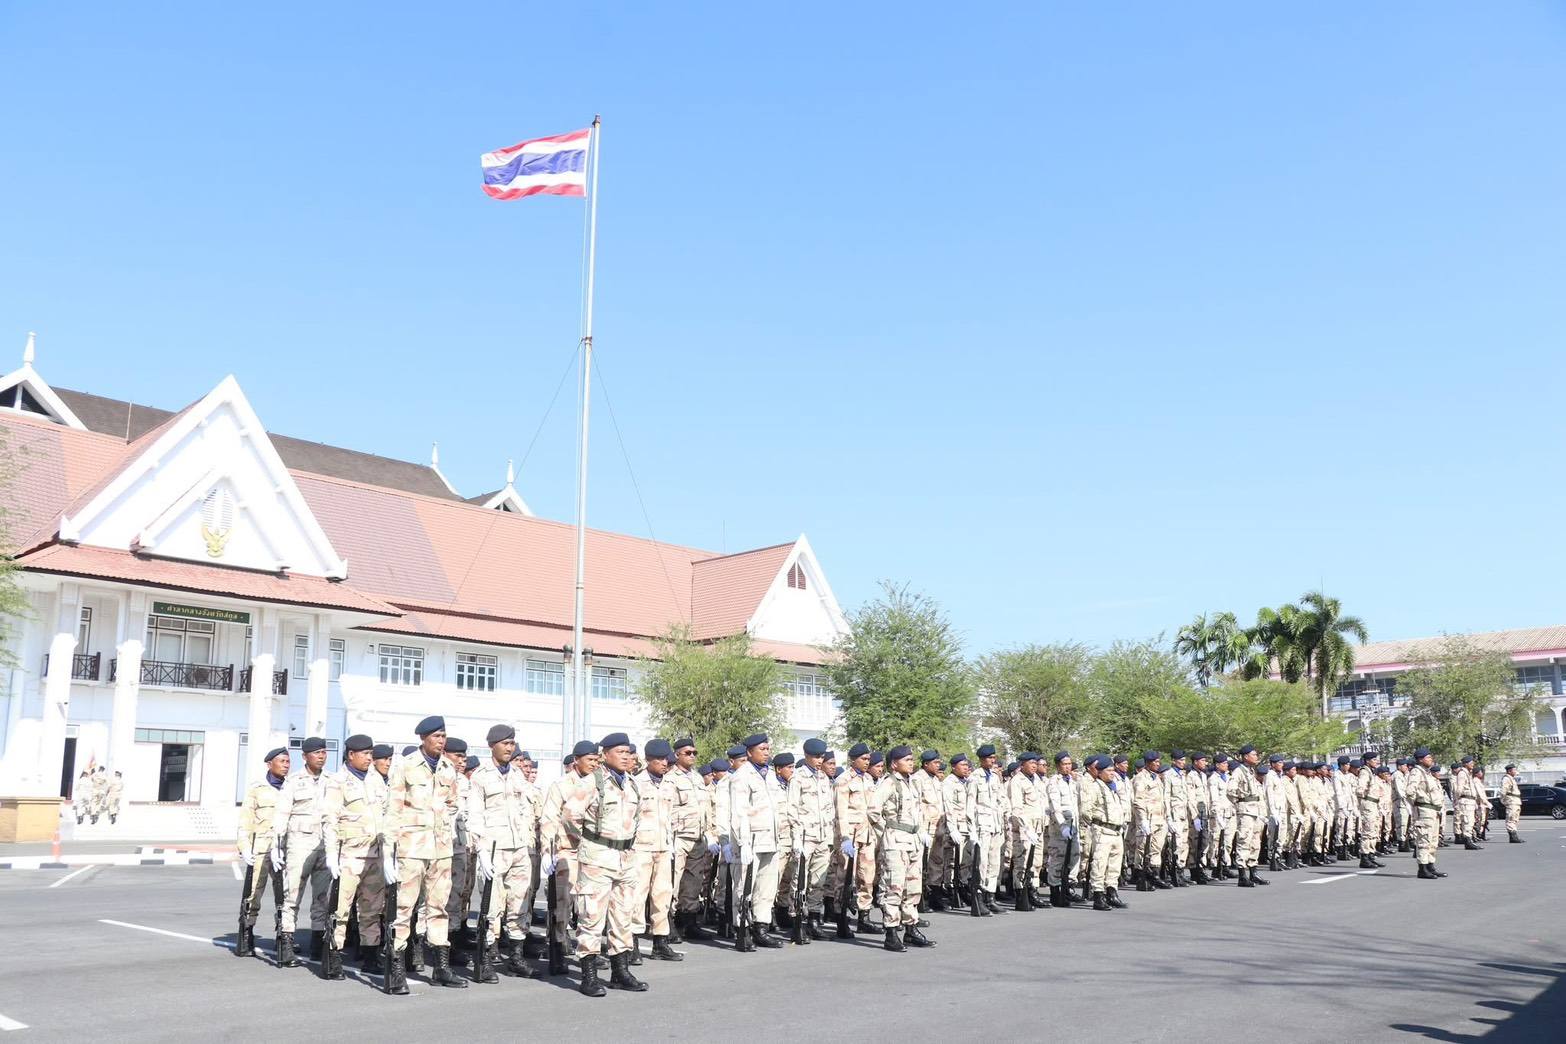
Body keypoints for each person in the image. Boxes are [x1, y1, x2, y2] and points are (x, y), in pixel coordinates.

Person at [384, 716, 465, 994]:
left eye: (444, 736)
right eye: (437, 736)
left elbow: (453, 804)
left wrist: (447, 827)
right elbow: (392, 810)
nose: (441, 741)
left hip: (441, 849)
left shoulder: (447, 768)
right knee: (403, 909)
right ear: (423, 738)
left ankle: (441, 967)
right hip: (411, 849)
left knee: (439, 907)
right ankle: (396, 967)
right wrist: (388, 852)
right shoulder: (405, 767)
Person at [563, 733, 645, 996]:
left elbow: (637, 819)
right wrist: (590, 842)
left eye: (629, 752)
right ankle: (589, 975)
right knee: (592, 918)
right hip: (598, 859)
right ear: (605, 754)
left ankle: (620, 971)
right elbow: (570, 817)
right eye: (620, 752)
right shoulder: (592, 783)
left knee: (623, 917)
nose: (627, 756)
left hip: (626, 858)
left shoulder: (631, 784)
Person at [465, 724, 542, 982]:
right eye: (504, 743)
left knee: (519, 904)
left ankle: (516, 958)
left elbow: (527, 810)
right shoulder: (481, 777)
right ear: (492, 746)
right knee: (492, 907)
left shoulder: (518, 776)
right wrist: (482, 851)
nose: (509, 748)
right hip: (494, 850)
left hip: (519, 848)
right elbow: (475, 817)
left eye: (512, 743)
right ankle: (485, 958)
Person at [320, 733, 384, 979]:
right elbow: (330, 819)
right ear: (351, 755)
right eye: (366, 754)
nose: (370, 758)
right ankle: (333, 957)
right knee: (340, 909)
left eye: (371, 754)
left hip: (375, 854)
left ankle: (370, 956)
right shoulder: (338, 782)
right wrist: (330, 855)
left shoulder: (376, 780)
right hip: (349, 855)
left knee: (372, 909)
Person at [272, 737, 332, 965]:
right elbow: (281, 815)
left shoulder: (331, 781)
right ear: (305, 756)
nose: (321, 756)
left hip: (324, 846)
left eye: (324, 752)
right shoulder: (294, 781)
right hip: (299, 844)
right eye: (316, 752)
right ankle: (286, 943)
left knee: (322, 898)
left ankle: (317, 942)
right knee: (292, 894)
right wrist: (277, 846)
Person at [540, 744, 598, 976]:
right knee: (561, 905)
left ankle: (588, 952)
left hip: (592, 852)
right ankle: (558, 947)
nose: (594, 764)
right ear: (576, 760)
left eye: (596, 759)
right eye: (589, 759)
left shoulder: (599, 785)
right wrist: (548, 850)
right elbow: (549, 818)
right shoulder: (562, 785)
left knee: (588, 905)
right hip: (566, 850)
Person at [869, 745, 933, 951]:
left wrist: (922, 831)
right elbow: (873, 811)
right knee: (893, 887)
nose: (911, 762)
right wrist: (887, 830)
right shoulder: (889, 783)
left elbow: (917, 812)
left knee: (913, 888)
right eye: (906, 760)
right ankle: (891, 931)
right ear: (894, 763)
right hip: (896, 841)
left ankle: (911, 928)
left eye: (912, 759)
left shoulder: (912, 783)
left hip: (913, 840)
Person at [727, 733, 783, 951]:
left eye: (768, 749)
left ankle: (761, 928)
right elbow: (738, 812)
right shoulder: (742, 775)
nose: (767, 752)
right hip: (751, 840)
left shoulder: (769, 775)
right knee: (744, 888)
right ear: (749, 752)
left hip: (770, 839)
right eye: (762, 749)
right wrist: (743, 843)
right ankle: (743, 929)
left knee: (766, 887)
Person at [630, 738, 681, 963]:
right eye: (659, 759)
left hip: (663, 847)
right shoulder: (636, 783)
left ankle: (661, 942)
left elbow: (671, 817)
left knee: (663, 895)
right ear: (647, 760)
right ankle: (631, 943)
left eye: (666, 759)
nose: (664, 763)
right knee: (637, 896)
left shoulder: (669, 784)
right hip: (640, 847)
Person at [236, 747, 290, 959]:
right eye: (282, 761)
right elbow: (245, 820)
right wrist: (244, 846)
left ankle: (284, 937)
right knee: (253, 893)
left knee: (285, 896)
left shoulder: (292, 788)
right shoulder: (257, 789)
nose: (286, 765)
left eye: (288, 761)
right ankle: (246, 933)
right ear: (270, 764)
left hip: (284, 849)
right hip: (260, 848)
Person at [788, 738, 835, 939]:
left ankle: (814, 919)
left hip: (823, 837)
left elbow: (829, 809)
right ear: (806, 756)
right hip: (805, 837)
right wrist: (796, 838)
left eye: (821, 756)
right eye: (816, 756)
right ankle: (795, 918)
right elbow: (792, 810)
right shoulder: (797, 778)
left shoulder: (824, 778)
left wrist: (830, 836)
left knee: (819, 881)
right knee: (799, 880)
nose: (819, 760)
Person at [666, 738, 713, 942]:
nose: (692, 756)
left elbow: (707, 809)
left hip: (697, 837)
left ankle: (689, 922)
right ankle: (667, 924)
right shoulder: (670, 779)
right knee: (672, 883)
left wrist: (710, 834)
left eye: (694, 752)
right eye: (688, 753)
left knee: (693, 883)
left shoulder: (696, 778)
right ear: (677, 755)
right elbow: (665, 810)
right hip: (678, 837)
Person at [831, 742, 878, 936]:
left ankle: (863, 918)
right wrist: (844, 837)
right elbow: (840, 811)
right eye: (864, 759)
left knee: (866, 878)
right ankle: (841, 919)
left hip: (866, 835)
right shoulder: (843, 780)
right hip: (849, 836)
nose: (867, 762)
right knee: (844, 878)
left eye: (868, 759)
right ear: (853, 760)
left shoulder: (868, 778)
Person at [1080, 755, 1127, 910]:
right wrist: (1095, 823)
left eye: (1113, 770)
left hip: (1116, 830)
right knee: (1100, 864)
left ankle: (1112, 892)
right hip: (1103, 829)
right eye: (1109, 770)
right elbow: (1086, 810)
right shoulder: (1095, 787)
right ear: (1099, 772)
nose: (1112, 773)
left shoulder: (1113, 787)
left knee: (1114, 865)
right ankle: (1098, 895)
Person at [970, 744, 1008, 915]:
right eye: (989, 758)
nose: (993, 761)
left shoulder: (994, 777)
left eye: (994, 757)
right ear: (981, 759)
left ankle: (990, 898)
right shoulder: (974, 778)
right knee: (982, 864)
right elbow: (970, 805)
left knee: (994, 863)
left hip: (995, 824)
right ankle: (978, 898)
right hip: (981, 826)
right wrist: (971, 829)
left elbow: (1001, 799)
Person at [1006, 752, 1046, 910]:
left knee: (1036, 862)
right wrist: (1026, 828)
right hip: (1024, 829)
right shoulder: (1017, 781)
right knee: (1022, 862)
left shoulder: (1038, 780)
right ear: (1022, 765)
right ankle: (1020, 892)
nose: (1035, 765)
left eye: (1036, 763)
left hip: (1037, 828)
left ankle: (1033, 891)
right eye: (1031, 763)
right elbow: (1016, 808)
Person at [941, 753, 979, 914]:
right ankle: (951, 890)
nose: (967, 768)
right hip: (955, 827)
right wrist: (952, 828)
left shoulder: (967, 782)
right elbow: (948, 807)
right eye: (963, 765)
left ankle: (963, 888)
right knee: (951, 861)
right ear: (954, 766)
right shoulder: (949, 783)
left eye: (967, 765)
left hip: (966, 827)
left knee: (965, 861)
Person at [1044, 752, 1084, 905]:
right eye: (1064, 764)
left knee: (1074, 856)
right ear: (1058, 766)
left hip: (1073, 825)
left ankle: (1066, 887)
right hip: (1060, 827)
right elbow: (1055, 806)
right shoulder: (1054, 782)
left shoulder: (1072, 782)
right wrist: (1062, 825)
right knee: (1058, 858)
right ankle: (1055, 890)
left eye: (1069, 763)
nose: (1068, 766)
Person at [1406, 748, 1447, 879]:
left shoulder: (1427, 774)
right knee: (1424, 839)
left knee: (1433, 840)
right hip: (1424, 810)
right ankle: (1422, 868)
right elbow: (1409, 791)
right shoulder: (1416, 773)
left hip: (1433, 810)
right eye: (1428, 757)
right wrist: (1417, 805)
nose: (1431, 759)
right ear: (1420, 759)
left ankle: (1430, 866)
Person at [1130, 751, 1168, 892]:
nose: (1158, 764)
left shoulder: (1156, 778)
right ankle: (1142, 877)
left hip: (1159, 818)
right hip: (1148, 819)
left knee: (1156, 848)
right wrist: (1143, 820)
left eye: (1159, 762)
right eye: (1155, 762)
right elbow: (1138, 801)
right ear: (1148, 763)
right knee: (1142, 849)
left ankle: (1154, 875)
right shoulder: (1141, 778)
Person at [914, 751, 947, 910]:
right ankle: (919, 898)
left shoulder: (936, 780)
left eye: (939, 762)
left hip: (938, 828)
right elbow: (916, 806)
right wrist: (920, 829)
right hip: (925, 828)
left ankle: (935, 896)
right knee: (922, 863)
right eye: (935, 763)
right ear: (926, 764)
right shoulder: (917, 779)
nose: (938, 765)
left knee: (937, 863)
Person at [1206, 754, 1237, 880]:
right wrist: (1217, 815)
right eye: (1223, 763)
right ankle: (1215, 867)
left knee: (1228, 842)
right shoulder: (1213, 779)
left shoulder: (1229, 777)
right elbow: (1213, 799)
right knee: (1216, 841)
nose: (1226, 765)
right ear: (1217, 765)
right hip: (1218, 814)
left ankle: (1225, 866)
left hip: (1230, 813)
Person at [1452, 756, 1480, 849]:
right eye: (1470, 762)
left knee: (1471, 821)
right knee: (1467, 821)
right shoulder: (1462, 774)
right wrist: (1457, 800)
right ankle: (1467, 841)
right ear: (1465, 764)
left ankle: (1469, 839)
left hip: (1470, 800)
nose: (1473, 764)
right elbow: (1459, 788)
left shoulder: (1468, 773)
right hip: (1465, 800)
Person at [1500, 765, 1523, 843]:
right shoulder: (1506, 779)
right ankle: (1513, 836)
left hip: (1516, 801)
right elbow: (1503, 791)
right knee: (1511, 818)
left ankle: (1514, 835)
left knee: (1515, 819)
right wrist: (1503, 801)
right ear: (1509, 771)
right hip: (1511, 801)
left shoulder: (1511, 779)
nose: (1516, 771)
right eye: (1514, 770)